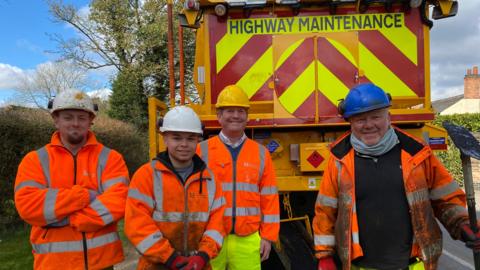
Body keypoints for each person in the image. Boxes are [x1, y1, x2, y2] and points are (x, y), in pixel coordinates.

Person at [313, 83, 480, 270]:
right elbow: (325, 211)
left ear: (388, 116)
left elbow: (445, 199)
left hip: (413, 264)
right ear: (350, 122)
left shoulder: (417, 153)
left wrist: (462, 224)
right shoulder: (339, 159)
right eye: (360, 119)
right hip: (361, 266)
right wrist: (324, 254)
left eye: (375, 117)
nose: (368, 125)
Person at [14, 89, 130, 270]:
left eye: (82, 118)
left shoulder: (110, 158)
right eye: (68, 117)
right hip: (53, 263)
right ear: (56, 120)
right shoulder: (35, 160)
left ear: (91, 121)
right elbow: (28, 206)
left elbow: (119, 200)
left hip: (101, 262)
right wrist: (84, 196)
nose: (75, 123)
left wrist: (73, 219)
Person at [125, 106, 225, 270]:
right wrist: (169, 257)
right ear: (165, 138)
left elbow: (218, 224)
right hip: (156, 265)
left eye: (191, 138)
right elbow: (137, 224)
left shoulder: (210, 180)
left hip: (197, 265)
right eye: (177, 138)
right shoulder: (147, 176)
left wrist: (203, 255)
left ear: (198, 140)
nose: (184, 144)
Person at [197, 85, 280, 270]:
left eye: (241, 111)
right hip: (209, 237)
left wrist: (267, 236)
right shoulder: (201, 151)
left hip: (248, 239)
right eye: (230, 110)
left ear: (247, 117)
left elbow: (270, 199)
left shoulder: (261, 153)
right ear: (219, 116)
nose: (235, 115)